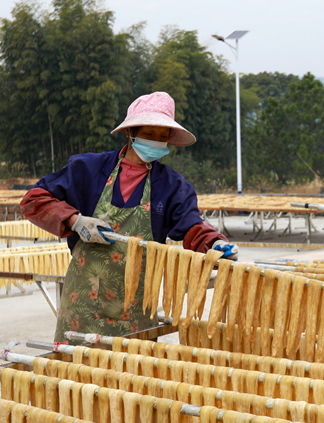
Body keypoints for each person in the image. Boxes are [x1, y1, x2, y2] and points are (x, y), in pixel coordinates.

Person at [21, 91, 237, 342]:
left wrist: (213, 243)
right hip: (83, 305)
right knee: (77, 375)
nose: (156, 140)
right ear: (130, 132)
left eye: (162, 136)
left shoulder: (171, 186)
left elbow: (190, 226)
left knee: (130, 374)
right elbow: (33, 200)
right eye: (149, 133)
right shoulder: (88, 169)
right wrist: (75, 221)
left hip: (136, 308)